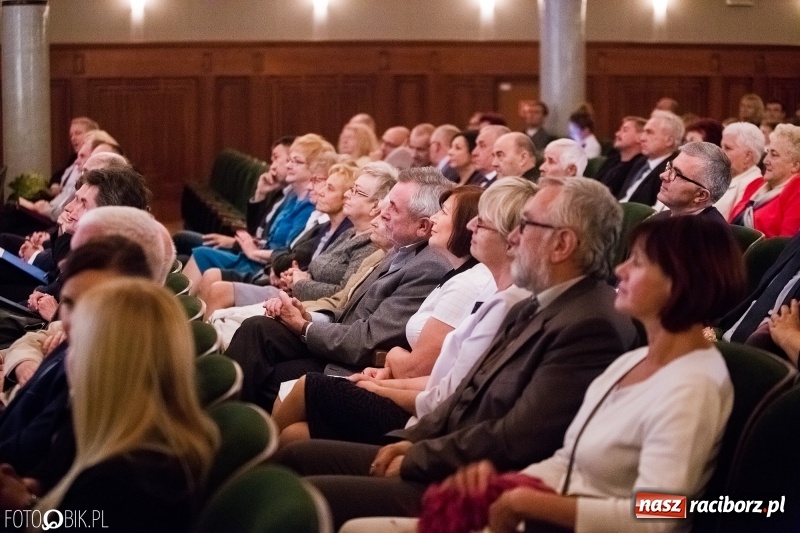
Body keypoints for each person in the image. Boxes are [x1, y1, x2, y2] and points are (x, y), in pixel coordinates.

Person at [273, 177, 640, 528]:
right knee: (296, 457)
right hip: (470, 464)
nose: (513, 238)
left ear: (562, 245)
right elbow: (468, 393)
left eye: (526, 225)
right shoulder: (542, 304)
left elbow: (520, 436)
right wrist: (411, 443)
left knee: (303, 492)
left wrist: (422, 458)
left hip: (489, 486)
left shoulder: (594, 326)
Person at [397, 215, 746, 533]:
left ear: (680, 281)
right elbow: (569, 462)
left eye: (637, 261)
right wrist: (504, 483)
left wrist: (527, 501)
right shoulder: (635, 360)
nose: (621, 269)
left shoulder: (694, 385)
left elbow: (662, 514)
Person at [273, 179, 534, 446]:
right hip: (414, 392)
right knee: (295, 429)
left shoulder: (471, 284)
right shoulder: (467, 278)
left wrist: (386, 378)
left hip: (426, 418)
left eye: (444, 213)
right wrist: (385, 381)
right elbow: (444, 378)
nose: (470, 226)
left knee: (305, 389)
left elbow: (431, 378)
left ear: (510, 237)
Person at [225, 168, 453, 411]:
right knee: (258, 328)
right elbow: (346, 310)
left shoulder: (428, 267)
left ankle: (229, 423)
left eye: (393, 208)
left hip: (354, 363)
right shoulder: (402, 249)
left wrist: (304, 327)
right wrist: (307, 316)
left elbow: (367, 340)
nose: (382, 213)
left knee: (265, 376)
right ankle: (218, 410)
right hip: (337, 340)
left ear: (422, 226)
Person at [0, 280, 219, 532]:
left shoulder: (141, 476)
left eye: (77, 343)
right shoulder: (109, 423)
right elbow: (55, 481)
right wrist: (29, 487)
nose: (65, 354)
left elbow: (85, 518)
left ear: (105, 359)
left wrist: (23, 508)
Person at [182, 134, 332, 289]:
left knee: (201, 255)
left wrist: (250, 249)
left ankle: (176, 308)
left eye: (296, 162)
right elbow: (260, 233)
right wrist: (259, 195)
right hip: (257, 257)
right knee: (195, 251)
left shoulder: (310, 207)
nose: (288, 166)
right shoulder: (291, 197)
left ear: (313, 169)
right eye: (289, 160)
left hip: (265, 267)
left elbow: (291, 252)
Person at [172, 136, 295, 262]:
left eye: (276, 158)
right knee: (182, 252)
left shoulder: (296, 200)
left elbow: (275, 245)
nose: (272, 167)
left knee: (182, 242)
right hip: (247, 248)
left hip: (253, 257)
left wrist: (234, 244)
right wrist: (260, 195)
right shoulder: (280, 192)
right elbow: (255, 231)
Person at [729, 123, 800, 237]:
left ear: (795, 165)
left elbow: (784, 245)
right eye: (767, 153)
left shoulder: (796, 190)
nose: (765, 161)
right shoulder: (756, 184)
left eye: (774, 155)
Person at [652, 141, 730, 221]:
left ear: (701, 195)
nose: (663, 176)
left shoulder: (707, 232)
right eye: (670, 167)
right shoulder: (661, 218)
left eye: (677, 174)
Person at [617, 110, 683, 206]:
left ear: (669, 141)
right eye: (644, 132)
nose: (642, 138)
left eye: (649, 132)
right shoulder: (640, 161)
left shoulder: (671, 172)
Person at [715, 122, 765, 220]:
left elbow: (734, 223)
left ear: (747, 156)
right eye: (721, 146)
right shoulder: (720, 176)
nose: (720, 152)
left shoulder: (753, 184)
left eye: (727, 148)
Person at [595, 116, 646, 197]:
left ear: (640, 137)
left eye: (625, 130)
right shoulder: (612, 160)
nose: (617, 134)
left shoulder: (640, 168)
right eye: (620, 130)